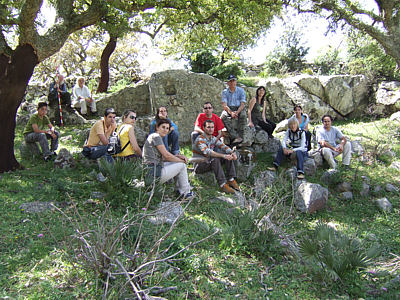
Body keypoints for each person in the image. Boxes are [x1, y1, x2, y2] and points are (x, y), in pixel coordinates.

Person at [143, 118, 195, 200]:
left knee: (177, 164)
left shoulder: (153, 137)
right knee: (181, 165)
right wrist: (181, 161)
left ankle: (179, 190)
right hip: (154, 174)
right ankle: (185, 192)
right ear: (157, 127)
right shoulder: (156, 136)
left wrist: (178, 157)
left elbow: (164, 157)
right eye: (163, 127)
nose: (165, 130)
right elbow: (166, 156)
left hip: (152, 172)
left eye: (167, 128)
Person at [193, 120, 239, 194]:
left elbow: (222, 146)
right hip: (199, 165)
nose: (210, 129)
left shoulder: (213, 138)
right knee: (216, 158)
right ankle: (222, 185)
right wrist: (223, 156)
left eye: (212, 127)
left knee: (228, 156)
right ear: (204, 128)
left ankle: (231, 180)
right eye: (208, 127)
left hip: (208, 162)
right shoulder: (200, 139)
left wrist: (231, 152)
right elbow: (208, 152)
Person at [221, 74, 247, 144]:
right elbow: (225, 106)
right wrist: (231, 113)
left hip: (239, 108)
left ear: (236, 82)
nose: (232, 83)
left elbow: (242, 104)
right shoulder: (224, 92)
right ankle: (235, 136)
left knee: (243, 116)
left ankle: (240, 137)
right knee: (223, 116)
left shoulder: (241, 91)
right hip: (229, 109)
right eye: (230, 81)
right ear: (228, 83)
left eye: (234, 81)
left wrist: (237, 112)